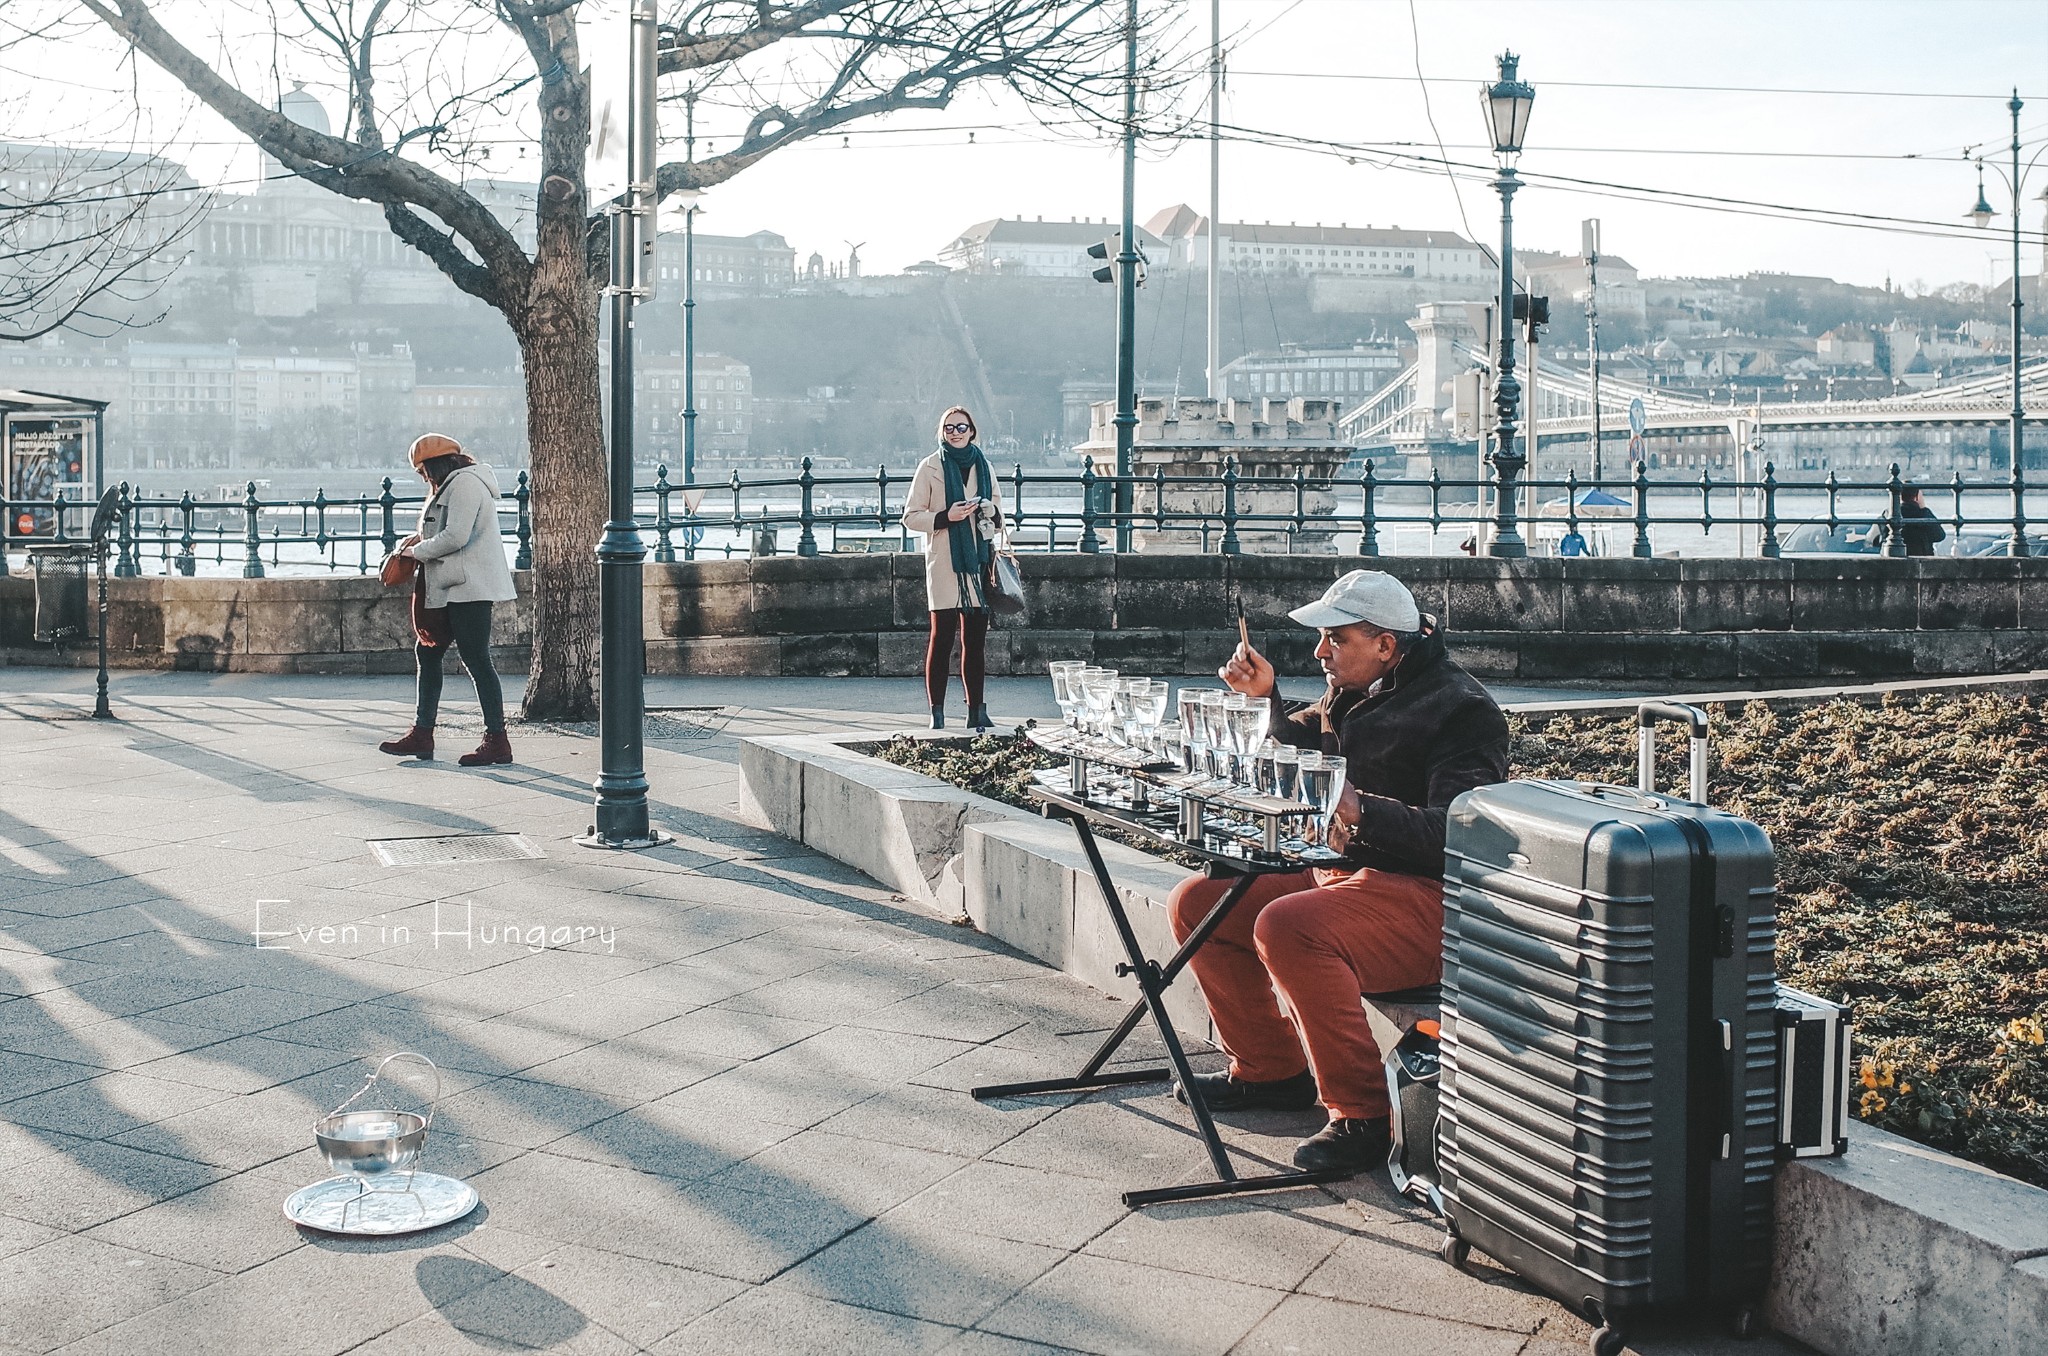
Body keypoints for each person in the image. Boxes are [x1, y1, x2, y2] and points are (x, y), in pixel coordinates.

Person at [1167, 569, 1510, 1175]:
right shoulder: (1357, 686)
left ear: (1386, 642)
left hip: (1429, 896)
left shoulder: (1463, 710)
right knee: (1198, 904)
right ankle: (1270, 1071)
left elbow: (1458, 835)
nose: (1320, 651)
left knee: (1288, 926)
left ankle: (1364, 1115)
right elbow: (1291, 753)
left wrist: (1359, 809)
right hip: (1345, 874)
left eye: (1335, 638)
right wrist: (1264, 699)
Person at [377, 433, 519, 766]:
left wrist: (415, 551)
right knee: (427, 652)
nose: (423, 477)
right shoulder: (451, 485)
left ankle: (497, 739)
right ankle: (422, 733)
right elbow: (443, 530)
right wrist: (417, 540)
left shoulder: (466, 485)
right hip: (450, 586)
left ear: (436, 463)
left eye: (423, 469)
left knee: (476, 659)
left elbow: (456, 536)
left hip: (468, 587)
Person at [901, 406, 1004, 731]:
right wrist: (947, 516)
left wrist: (989, 510)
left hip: (977, 563)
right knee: (942, 637)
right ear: (942, 433)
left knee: (975, 641)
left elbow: (1000, 518)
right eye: (949, 428)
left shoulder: (984, 466)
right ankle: (938, 712)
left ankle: (977, 710)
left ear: (972, 431)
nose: (955, 432)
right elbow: (910, 516)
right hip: (945, 563)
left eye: (961, 427)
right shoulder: (929, 467)